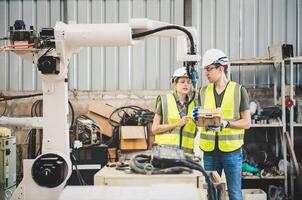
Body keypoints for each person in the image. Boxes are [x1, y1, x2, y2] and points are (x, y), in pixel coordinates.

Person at [194, 49, 251, 200]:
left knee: (234, 193)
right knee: (211, 192)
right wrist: (195, 116)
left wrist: (227, 124)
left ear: (221, 68)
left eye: (209, 69)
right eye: (205, 69)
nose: (206, 73)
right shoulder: (202, 91)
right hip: (209, 150)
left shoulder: (239, 90)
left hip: (232, 151)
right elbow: (199, 120)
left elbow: (247, 123)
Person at [151, 67, 197, 156]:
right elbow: (154, 129)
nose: (186, 85)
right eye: (182, 82)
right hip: (166, 154)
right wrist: (177, 124)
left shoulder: (194, 105)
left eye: (188, 82)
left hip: (187, 156)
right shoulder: (164, 101)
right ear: (175, 84)